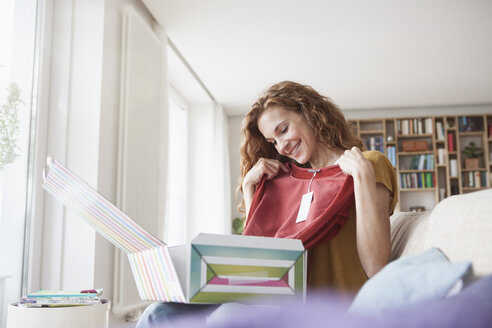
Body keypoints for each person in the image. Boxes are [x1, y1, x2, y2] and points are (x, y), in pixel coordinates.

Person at [239, 81, 397, 294]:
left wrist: (362, 176)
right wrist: (250, 187)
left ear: (310, 113)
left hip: (348, 310)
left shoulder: (368, 163)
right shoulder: (286, 183)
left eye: (284, 130)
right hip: (294, 313)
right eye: (272, 142)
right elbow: (261, 264)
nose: (282, 146)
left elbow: (376, 266)